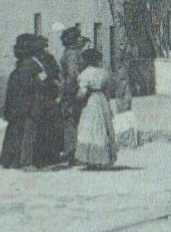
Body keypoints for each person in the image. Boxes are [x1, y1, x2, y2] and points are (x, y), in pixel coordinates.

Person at [0, 34, 47, 169]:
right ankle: (26, 162)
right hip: (29, 103)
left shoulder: (20, 66)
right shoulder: (32, 65)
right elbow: (37, 84)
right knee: (28, 131)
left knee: (15, 130)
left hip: (17, 102)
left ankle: (10, 160)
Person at [73, 46, 118, 169]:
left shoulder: (85, 74)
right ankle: (102, 159)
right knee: (102, 127)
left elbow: (82, 92)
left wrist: (75, 98)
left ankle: (91, 160)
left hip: (91, 101)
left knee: (90, 128)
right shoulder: (104, 72)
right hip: (102, 99)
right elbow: (108, 90)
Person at [57, 24, 90, 165]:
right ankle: (75, 152)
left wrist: (68, 92)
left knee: (70, 122)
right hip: (76, 91)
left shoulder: (71, 54)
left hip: (71, 92)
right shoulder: (76, 53)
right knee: (75, 121)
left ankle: (72, 152)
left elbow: (72, 74)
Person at [31, 39, 66, 168]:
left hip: (52, 96)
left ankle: (54, 154)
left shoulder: (49, 59)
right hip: (42, 97)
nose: (45, 50)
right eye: (43, 48)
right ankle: (42, 157)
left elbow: (57, 73)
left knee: (54, 127)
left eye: (46, 47)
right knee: (43, 129)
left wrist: (58, 85)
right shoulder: (34, 62)